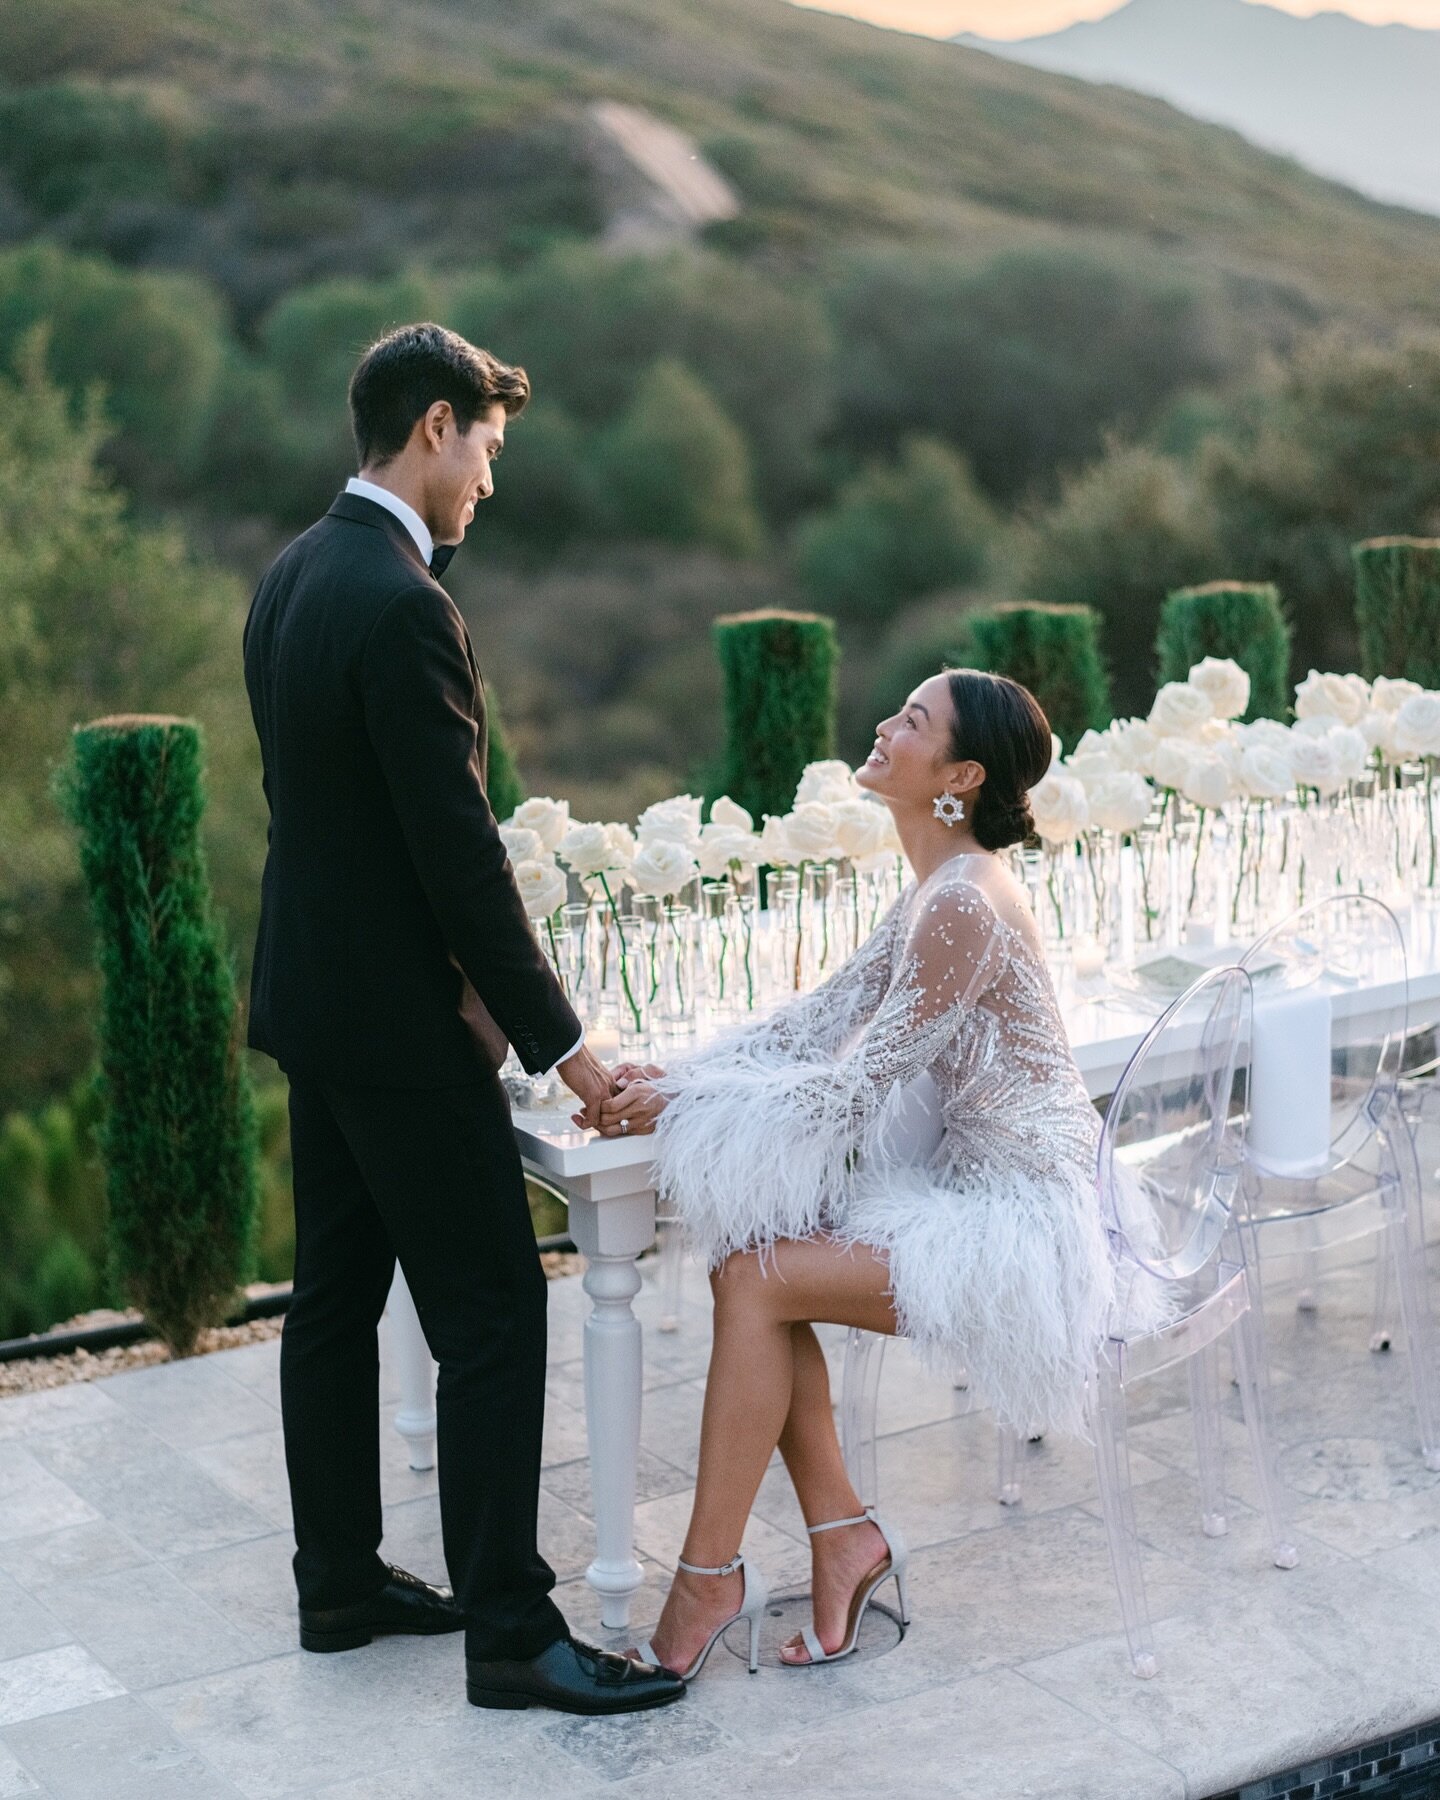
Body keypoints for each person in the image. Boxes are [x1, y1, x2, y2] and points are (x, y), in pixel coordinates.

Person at [242, 322, 683, 1715]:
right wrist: (571, 1050)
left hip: (315, 1003)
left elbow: (332, 822)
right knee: (492, 1312)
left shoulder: (292, 574)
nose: (490, 480)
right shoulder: (403, 602)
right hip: (396, 1027)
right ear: (435, 426)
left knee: (332, 1302)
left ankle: (338, 1583)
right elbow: (457, 856)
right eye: (486, 447)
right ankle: (511, 1632)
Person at [596, 670, 1141, 1677]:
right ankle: (836, 1538)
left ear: (961, 776)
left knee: (754, 1278)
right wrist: (670, 1077)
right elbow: (814, 1024)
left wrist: (679, 1107)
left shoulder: (965, 901)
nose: (887, 727)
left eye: (915, 721)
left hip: (1023, 1224)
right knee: (755, 1271)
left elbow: (852, 1090)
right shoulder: (942, 885)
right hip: (978, 1189)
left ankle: (715, 1577)